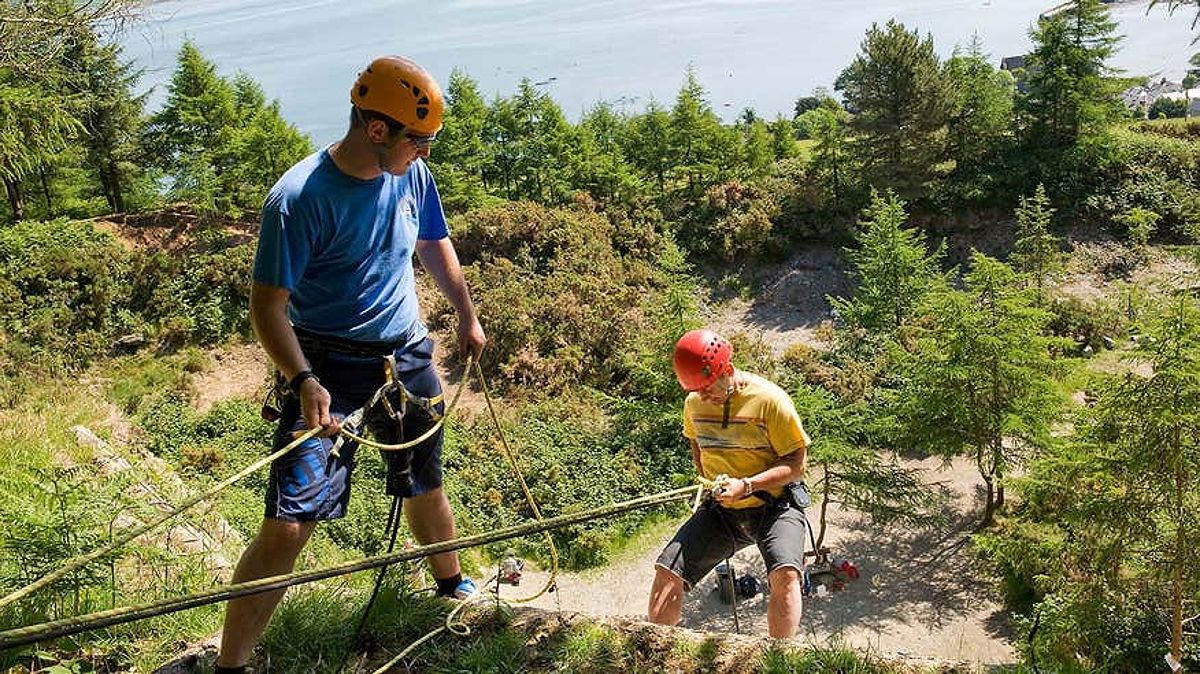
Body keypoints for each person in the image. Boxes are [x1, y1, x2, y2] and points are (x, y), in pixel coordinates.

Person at [214, 55, 486, 673]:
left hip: (407, 354)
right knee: (289, 523)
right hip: (328, 369)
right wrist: (303, 380)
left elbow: (432, 242)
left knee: (424, 477)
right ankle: (232, 663)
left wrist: (465, 313)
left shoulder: (410, 175)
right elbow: (268, 309)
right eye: (418, 139)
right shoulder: (298, 199)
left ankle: (450, 582)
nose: (426, 152)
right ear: (378, 129)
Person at [647, 329, 810, 639]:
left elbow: (796, 465)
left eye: (707, 389)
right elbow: (698, 449)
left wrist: (746, 486)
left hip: (773, 506)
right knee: (667, 572)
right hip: (723, 508)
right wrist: (714, 484)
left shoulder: (770, 402)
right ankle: (656, 651)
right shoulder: (694, 402)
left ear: (729, 371)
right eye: (695, 391)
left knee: (786, 575)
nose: (702, 397)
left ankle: (779, 658)